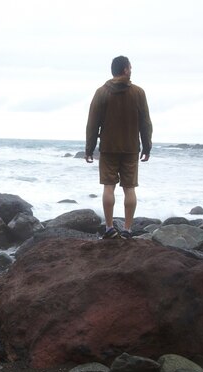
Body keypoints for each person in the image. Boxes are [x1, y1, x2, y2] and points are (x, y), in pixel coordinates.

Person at [85, 55, 152, 239]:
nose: (131, 69)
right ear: (125, 70)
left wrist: (89, 148)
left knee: (108, 187)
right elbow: (146, 123)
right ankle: (127, 230)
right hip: (131, 148)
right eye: (130, 67)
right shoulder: (138, 93)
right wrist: (147, 147)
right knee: (129, 189)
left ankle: (109, 228)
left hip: (108, 148)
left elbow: (92, 123)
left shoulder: (101, 92)